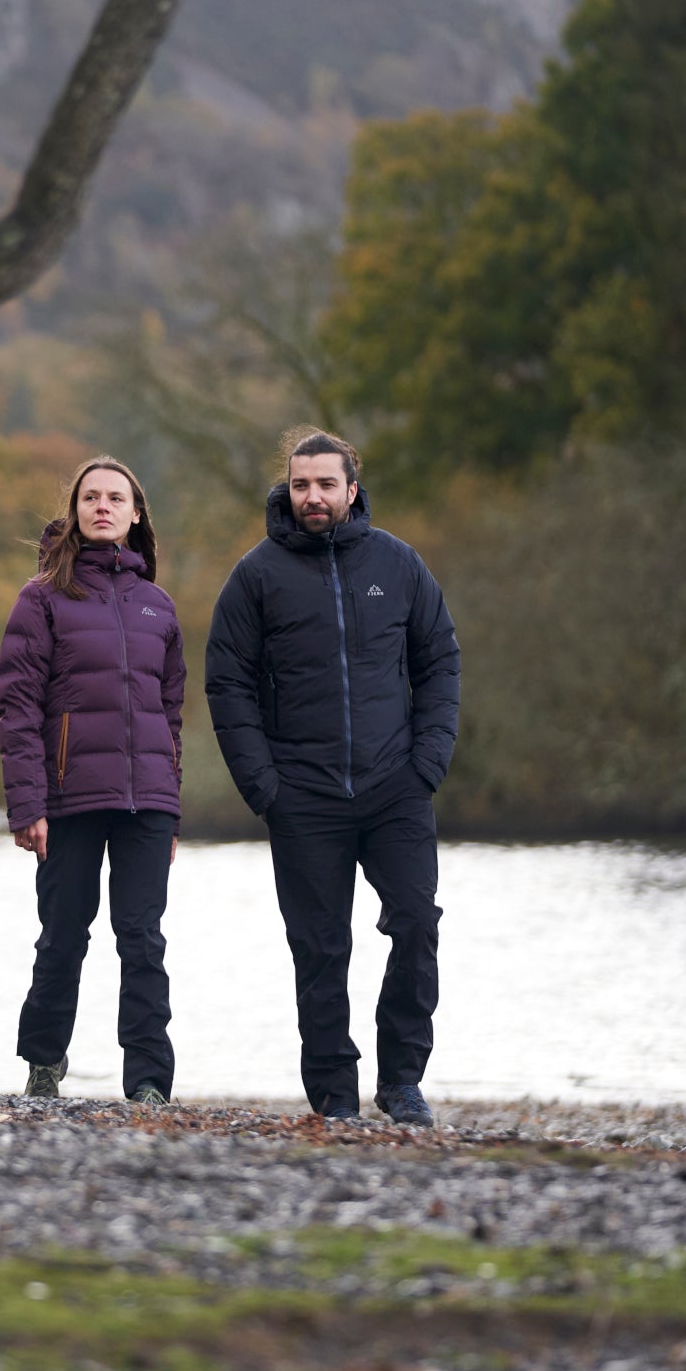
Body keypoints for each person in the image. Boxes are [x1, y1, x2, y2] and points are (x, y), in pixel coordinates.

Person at [204, 427, 459, 1125]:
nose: (311, 496)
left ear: (352, 488)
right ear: (288, 489)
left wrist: (427, 762)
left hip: (395, 790)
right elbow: (227, 685)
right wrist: (265, 787)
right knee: (320, 950)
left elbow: (439, 661)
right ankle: (335, 1099)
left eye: (324, 484)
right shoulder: (256, 576)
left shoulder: (399, 565)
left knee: (415, 923)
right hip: (302, 795)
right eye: (300, 484)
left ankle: (402, 1081)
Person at [0, 457, 186, 1104]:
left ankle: (150, 1083)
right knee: (64, 935)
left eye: (115, 498)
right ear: (76, 510)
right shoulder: (41, 599)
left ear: (136, 515)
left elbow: (171, 711)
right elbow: (17, 707)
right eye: (90, 497)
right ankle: (44, 1064)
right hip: (69, 799)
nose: (102, 506)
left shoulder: (158, 606)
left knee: (144, 940)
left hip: (146, 804)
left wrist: (170, 803)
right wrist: (28, 805)